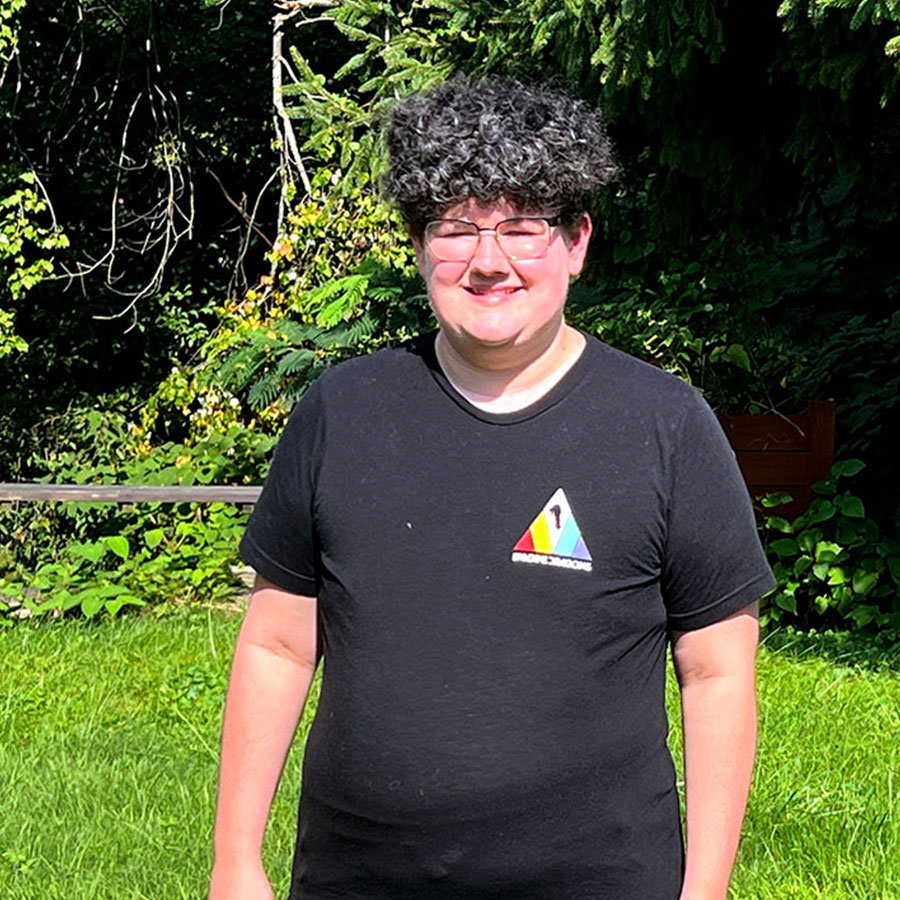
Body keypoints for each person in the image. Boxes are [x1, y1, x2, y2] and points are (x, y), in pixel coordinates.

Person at [209, 76, 775, 900]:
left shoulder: (665, 425)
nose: (487, 261)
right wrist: (235, 862)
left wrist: (708, 887)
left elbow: (719, 669)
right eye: (456, 228)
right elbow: (277, 644)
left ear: (577, 242)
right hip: (358, 877)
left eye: (522, 227)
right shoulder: (343, 411)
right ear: (417, 244)